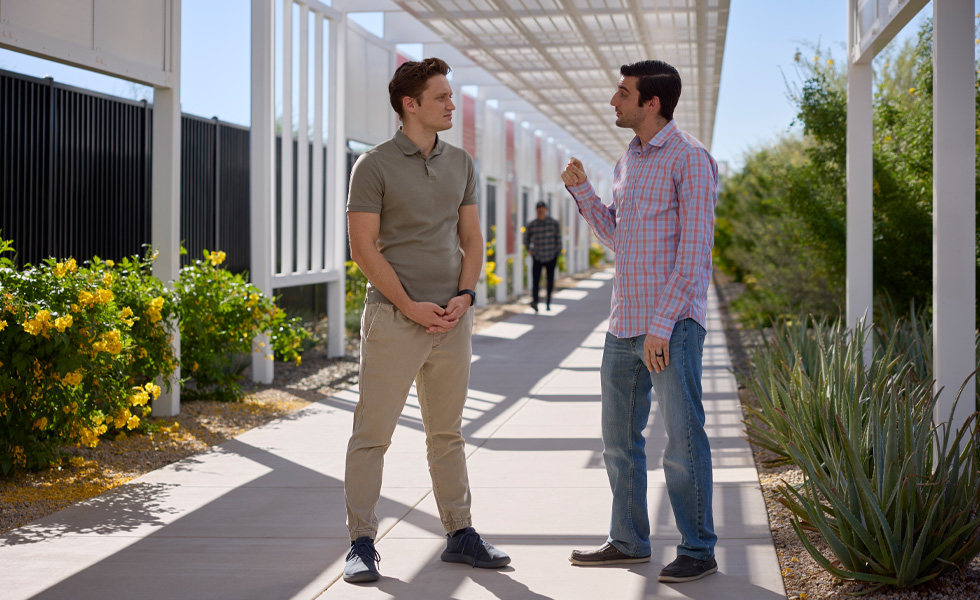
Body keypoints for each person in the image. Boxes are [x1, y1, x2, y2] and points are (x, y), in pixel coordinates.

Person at [343, 57, 510, 584]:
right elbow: (363, 248)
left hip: (451, 319)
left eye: (450, 95)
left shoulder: (460, 162)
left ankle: (460, 533)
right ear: (410, 104)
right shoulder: (373, 165)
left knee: (447, 433)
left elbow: (472, 238)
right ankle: (361, 543)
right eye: (441, 97)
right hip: (394, 318)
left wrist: (466, 295)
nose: (452, 104)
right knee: (373, 433)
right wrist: (410, 306)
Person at [560, 59, 719, 583]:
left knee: (682, 440)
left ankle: (698, 548)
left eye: (623, 93)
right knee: (618, 443)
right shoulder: (628, 158)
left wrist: (661, 325)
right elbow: (620, 238)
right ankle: (628, 540)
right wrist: (584, 193)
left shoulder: (691, 157)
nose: (614, 100)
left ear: (652, 102)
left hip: (669, 326)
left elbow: (694, 254)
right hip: (622, 323)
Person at [523, 200, 562, 312]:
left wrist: (557, 252)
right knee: (536, 280)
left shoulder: (553, 223)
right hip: (538, 256)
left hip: (551, 255)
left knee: (550, 280)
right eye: (538, 209)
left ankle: (548, 302)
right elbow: (526, 238)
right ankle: (535, 301)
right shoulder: (532, 225)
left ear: (546, 209)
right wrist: (528, 249)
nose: (540, 211)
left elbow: (558, 238)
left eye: (542, 208)